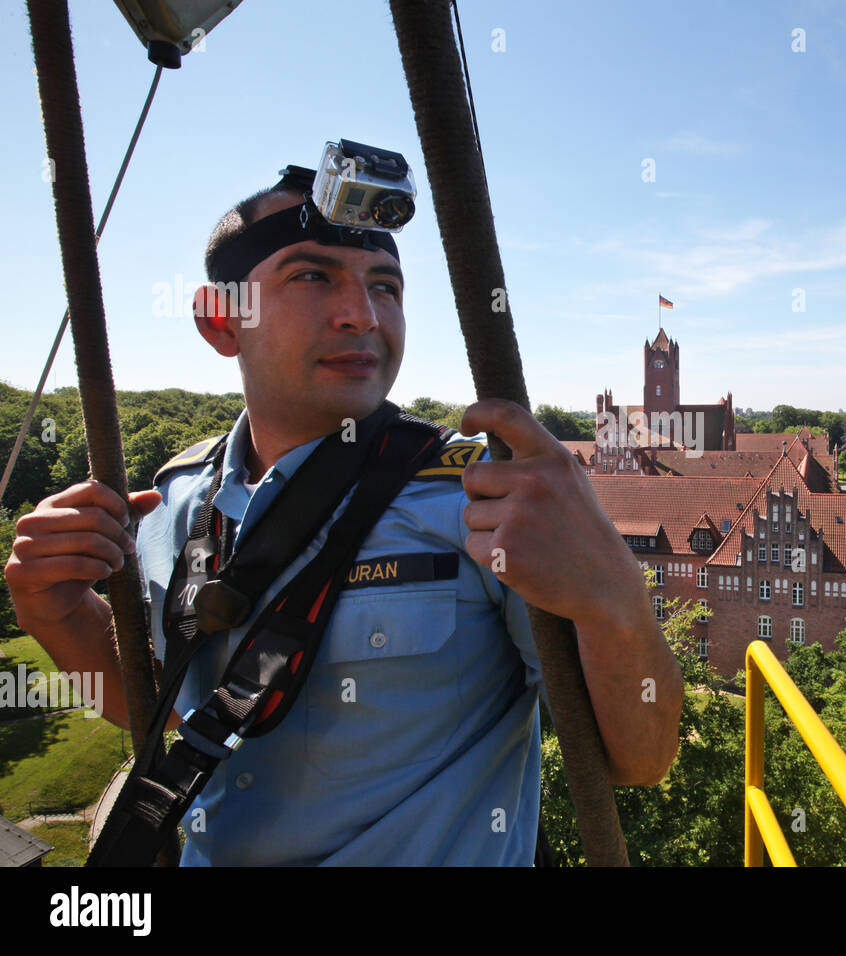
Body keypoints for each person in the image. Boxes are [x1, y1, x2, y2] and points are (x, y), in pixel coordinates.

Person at [4, 176, 683, 865]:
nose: (362, 313)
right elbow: (168, 718)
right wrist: (57, 614)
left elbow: (638, 758)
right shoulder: (172, 508)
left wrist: (614, 598)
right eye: (312, 276)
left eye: (386, 286)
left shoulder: (485, 501)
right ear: (220, 319)